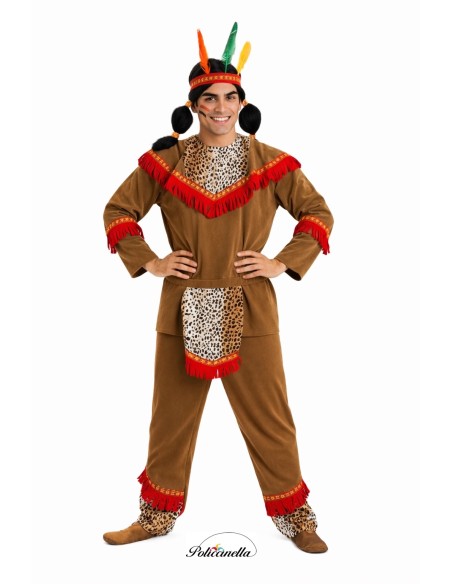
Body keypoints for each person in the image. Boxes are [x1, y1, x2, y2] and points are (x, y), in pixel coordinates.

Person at [102, 23, 333, 553]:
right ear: (194, 105)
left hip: (251, 306)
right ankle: (155, 517)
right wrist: (151, 262)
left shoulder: (271, 162)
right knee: (170, 421)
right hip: (181, 306)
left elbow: (317, 213)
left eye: (230, 97)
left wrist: (281, 262)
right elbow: (118, 211)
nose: (221, 107)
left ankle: (296, 518)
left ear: (242, 103)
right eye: (210, 98)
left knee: (271, 420)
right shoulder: (165, 163)